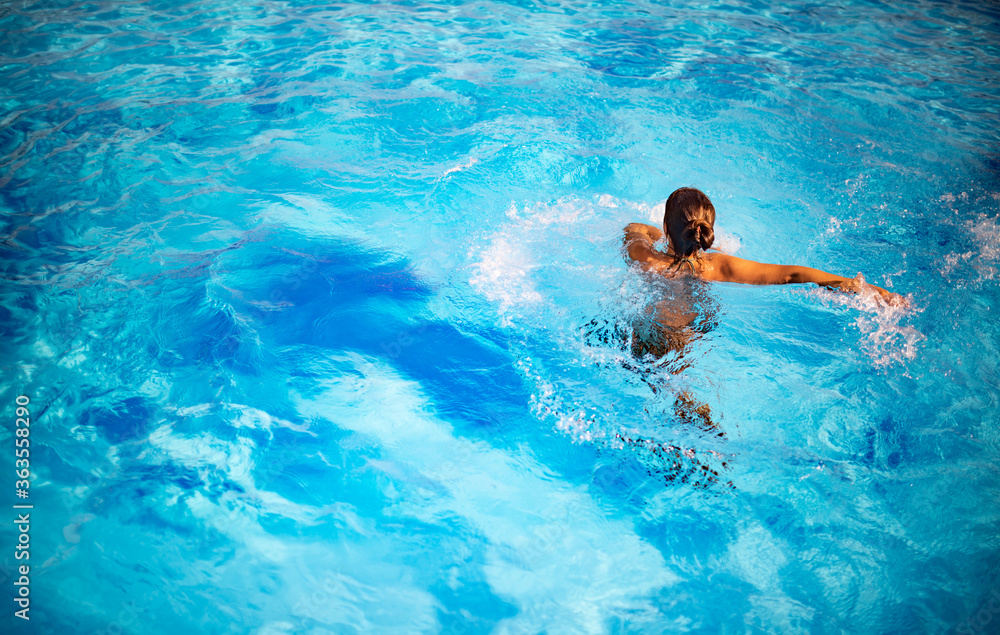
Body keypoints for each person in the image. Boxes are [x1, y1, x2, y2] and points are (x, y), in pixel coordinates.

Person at [624, 187, 906, 304]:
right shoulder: (718, 267)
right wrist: (862, 287)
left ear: (665, 227)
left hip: (643, 334)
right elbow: (791, 275)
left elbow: (633, 229)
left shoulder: (645, 258)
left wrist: (659, 239)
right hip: (689, 340)